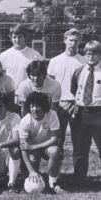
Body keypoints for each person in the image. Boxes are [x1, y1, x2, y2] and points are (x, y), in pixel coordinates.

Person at [48, 28, 86, 153]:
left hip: (78, 103)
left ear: (79, 41)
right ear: (65, 40)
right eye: (70, 40)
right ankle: (56, 171)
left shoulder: (84, 61)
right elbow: (50, 85)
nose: (73, 43)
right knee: (58, 138)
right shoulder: (54, 61)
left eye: (75, 41)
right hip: (59, 103)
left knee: (79, 139)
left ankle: (78, 172)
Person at [19, 92, 65, 194]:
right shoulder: (25, 121)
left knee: (55, 151)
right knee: (30, 176)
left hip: (46, 147)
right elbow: (23, 148)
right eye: (31, 106)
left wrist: (34, 146)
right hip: (32, 151)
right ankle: (36, 176)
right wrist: (31, 171)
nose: (34, 109)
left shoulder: (52, 114)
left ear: (44, 106)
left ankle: (53, 183)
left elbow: (55, 139)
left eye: (37, 106)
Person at [70, 40, 101, 186]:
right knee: (80, 149)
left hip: (99, 113)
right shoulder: (79, 71)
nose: (91, 56)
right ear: (84, 54)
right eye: (88, 53)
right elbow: (74, 89)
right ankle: (79, 180)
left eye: (95, 53)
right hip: (81, 113)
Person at [0, 24, 42, 90]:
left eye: (20, 37)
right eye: (14, 37)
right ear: (11, 38)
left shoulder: (35, 55)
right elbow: (1, 77)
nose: (17, 40)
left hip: (28, 93)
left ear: (25, 37)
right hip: (10, 93)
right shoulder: (3, 55)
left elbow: (39, 76)